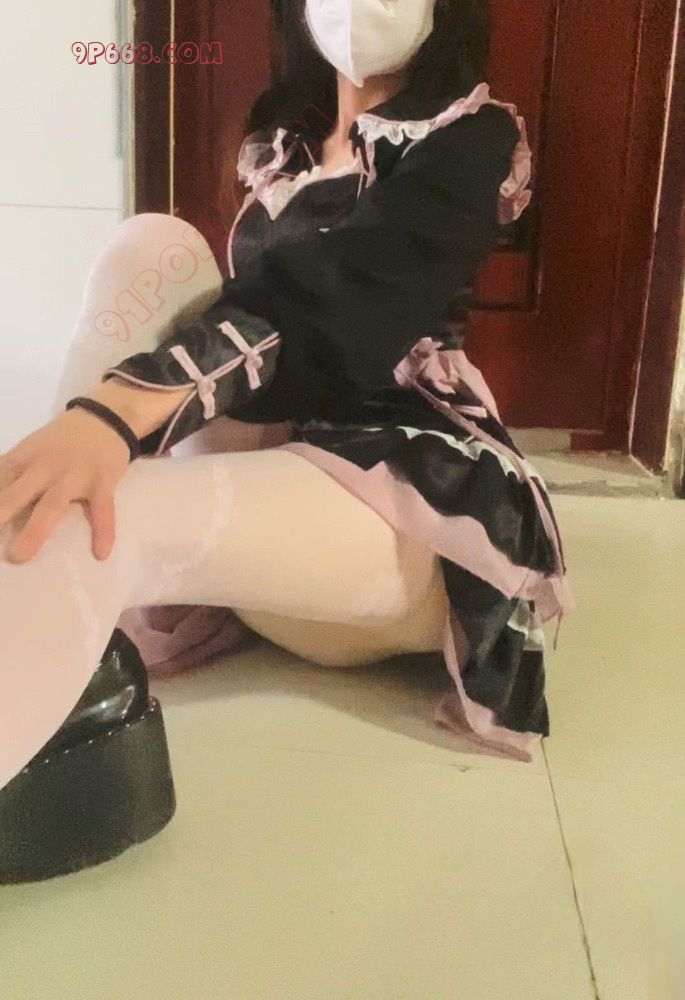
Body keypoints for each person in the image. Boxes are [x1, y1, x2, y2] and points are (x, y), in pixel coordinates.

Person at [0, 0, 573, 879]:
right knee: (153, 243)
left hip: (393, 490)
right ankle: (54, 513)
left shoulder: (472, 136)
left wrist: (121, 412)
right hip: (271, 462)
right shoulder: (283, 140)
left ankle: (66, 559)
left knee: (97, 527)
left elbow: (333, 303)